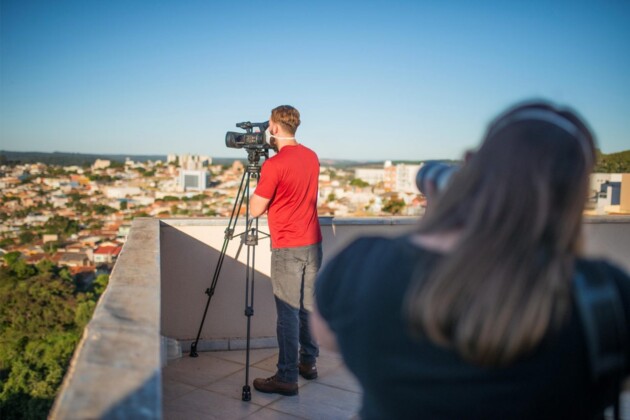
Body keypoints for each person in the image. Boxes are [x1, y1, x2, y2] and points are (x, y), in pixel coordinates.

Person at [312, 101, 630, 419]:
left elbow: (326, 335)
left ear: (469, 164)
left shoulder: (364, 264)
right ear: (576, 192)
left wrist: (439, 219)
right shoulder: (603, 296)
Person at [250, 105, 323, 396]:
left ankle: (286, 376)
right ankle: (309, 363)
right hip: (313, 243)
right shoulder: (312, 157)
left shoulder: (274, 165)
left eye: (269, 125)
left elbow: (255, 210)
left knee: (288, 313)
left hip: (288, 246)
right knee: (309, 308)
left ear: (275, 127)